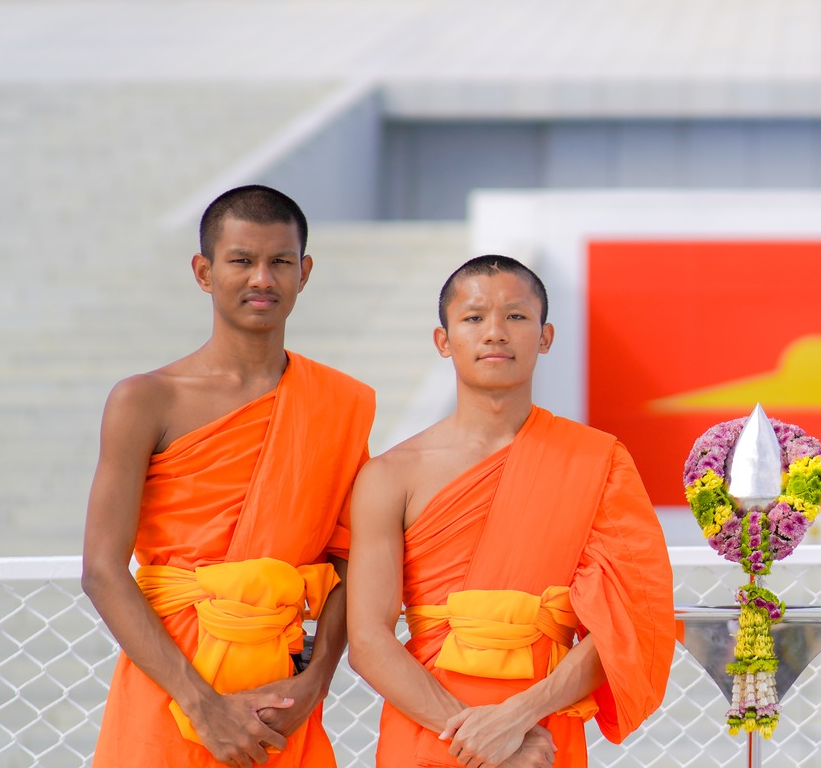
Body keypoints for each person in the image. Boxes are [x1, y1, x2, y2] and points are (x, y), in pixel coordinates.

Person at [84, 185, 375, 768]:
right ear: (204, 271)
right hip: (170, 686)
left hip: (281, 699)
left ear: (304, 272)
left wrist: (314, 684)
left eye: (280, 262)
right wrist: (202, 705)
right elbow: (101, 570)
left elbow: (350, 562)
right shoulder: (147, 399)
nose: (262, 278)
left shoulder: (337, 402)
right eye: (241, 260)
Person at [347, 254, 675, 768]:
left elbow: (624, 617)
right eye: (474, 318)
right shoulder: (391, 475)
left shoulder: (597, 460)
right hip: (428, 730)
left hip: (544, 728)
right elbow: (367, 640)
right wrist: (484, 737)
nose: (495, 333)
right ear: (443, 340)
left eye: (516, 317)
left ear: (545, 337)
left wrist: (519, 719)